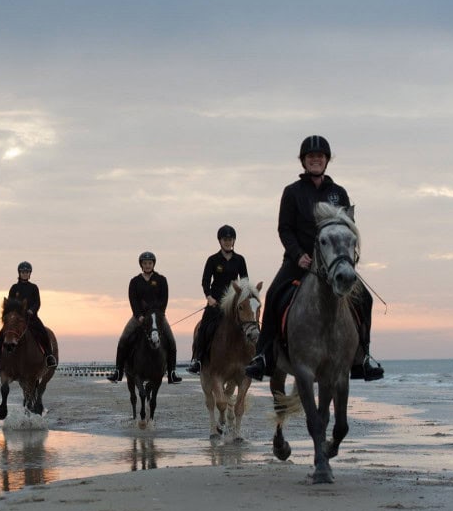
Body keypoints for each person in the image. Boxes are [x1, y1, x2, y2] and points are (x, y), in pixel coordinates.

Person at [245, 135, 383, 382]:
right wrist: (298, 255)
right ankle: (263, 356)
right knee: (274, 293)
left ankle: (363, 358)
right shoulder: (292, 192)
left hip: (332, 262)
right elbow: (284, 229)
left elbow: (347, 228)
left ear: (326, 160)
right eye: (311, 157)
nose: (316, 160)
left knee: (366, 299)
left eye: (320, 156)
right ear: (304, 162)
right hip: (300, 262)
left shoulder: (338, 193)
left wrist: (345, 258)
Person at [108, 251, 182, 385]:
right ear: (141, 265)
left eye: (150, 263)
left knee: (171, 341)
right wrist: (139, 316)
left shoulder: (161, 280)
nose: (147, 265)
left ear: (153, 264)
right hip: (139, 317)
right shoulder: (135, 281)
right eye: (145, 263)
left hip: (157, 317)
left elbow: (164, 299)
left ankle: (172, 373)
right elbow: (133, 300)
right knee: (123, 339)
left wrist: (158, 315)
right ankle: (118, 371)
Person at [187, 225, 249, 374]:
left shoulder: (240, 260)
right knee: (204, 328)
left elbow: (245, 281)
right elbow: (205, 281)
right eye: (225, 239)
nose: (228, 242)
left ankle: (254, 359)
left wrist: (243, 299)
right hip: (215, 302)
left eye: (230, 239)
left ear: (234, 241)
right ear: (220, 241)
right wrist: (209, 298)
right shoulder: (213, 260)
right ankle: (198, 360)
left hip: (233, 303)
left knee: (250, 324)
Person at [0, 261, 58, 370]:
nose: (25, 274)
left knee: (43, 332)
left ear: (30, 274)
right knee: (1, 334)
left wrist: (31, 310)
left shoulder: (34, 287)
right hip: (17, 318)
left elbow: (37, 302)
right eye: (23, 272)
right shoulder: (14, 288)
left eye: (27, 272)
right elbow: (10, 303)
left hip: (31, 317)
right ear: (19, 273)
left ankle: (49, 356)